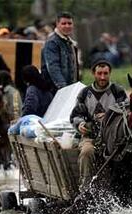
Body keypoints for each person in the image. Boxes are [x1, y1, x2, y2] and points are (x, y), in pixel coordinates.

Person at [70, 60, 127, 191]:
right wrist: (80, 124)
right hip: (91, 136)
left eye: (105, 73)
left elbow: (126, 111)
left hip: (114, 138)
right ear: (93, 73)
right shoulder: (84, 93)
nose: (102, 77)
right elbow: (75, 115)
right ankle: (85, 188)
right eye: (99, 73)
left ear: (110, 73)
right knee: (86, 152)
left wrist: (109, 114)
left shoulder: (118, 91)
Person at [41, 11, 79, 94]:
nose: (67, 26)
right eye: (63, 23)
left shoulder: (70, 43)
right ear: (57, 24)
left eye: (69, 23)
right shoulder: (52, 42)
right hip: (55, 91)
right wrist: (64, 89)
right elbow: (53, 68)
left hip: (70, 89)